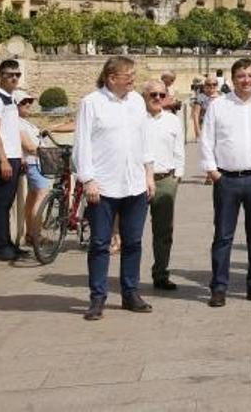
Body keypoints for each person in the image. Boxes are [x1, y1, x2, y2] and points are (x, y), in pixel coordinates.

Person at [74, 56, 155, 320]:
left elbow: (144, 140)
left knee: (133, 242)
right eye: (128, 74)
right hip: (104, 185)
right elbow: (82, 143)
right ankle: (97, 297)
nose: (133, 78)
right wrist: (87, 179)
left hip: (134, 183)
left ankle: (130, 292)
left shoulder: (137, 102)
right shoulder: (91, 103)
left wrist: (149, 174)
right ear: (111, 77)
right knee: (100, 244)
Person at [200, 58, 251, 307]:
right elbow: (207, 139)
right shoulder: (219, 105)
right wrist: (213, 172)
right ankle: (219, 287)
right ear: (233, 78)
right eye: (241, 76)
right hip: (227, 179)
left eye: (250, 75)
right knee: (223, 236)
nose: (246, 80)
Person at [142, 78, 184, 291]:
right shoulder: (136, 119)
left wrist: (177, 175)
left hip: (165, 179)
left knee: (163, 230)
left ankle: (160, 273)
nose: (157, 98)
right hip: (139, 180)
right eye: (153, 95)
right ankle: (129, 276)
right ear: (145, 97)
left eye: (161, 95)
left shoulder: (172, 120)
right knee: (133, 232)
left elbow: (179, 148)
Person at [0, 59, 26, 262]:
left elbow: (11, 131)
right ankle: (2, 248)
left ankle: (9, 244)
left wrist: (20, 157)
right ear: (1, 75)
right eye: (10, 74)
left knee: (7, 204)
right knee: (1, 205)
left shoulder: (10, 98)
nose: (14, 78)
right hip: (3, 159)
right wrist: (3, 160)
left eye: (17, 75)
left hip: (13, 157)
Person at [16, 89, 49, 251]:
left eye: (30, 101)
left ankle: (30, 233)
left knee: (32, 197)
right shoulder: (18, 122)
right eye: (24, 102)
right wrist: (46, 153)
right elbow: (28, 146)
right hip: (33, 163)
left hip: (34, 162)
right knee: (42, 196)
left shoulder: (24, 122)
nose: (28, 104)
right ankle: (36, 234)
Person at [191, 75, 221, 142]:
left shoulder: (222, 96)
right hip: (205, 129)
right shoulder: (201, 97)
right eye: (209, 84)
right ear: (205, 85)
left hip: (219, 129)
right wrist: (198, 132)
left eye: (214, 84)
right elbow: (196, 115)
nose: (212, 86)